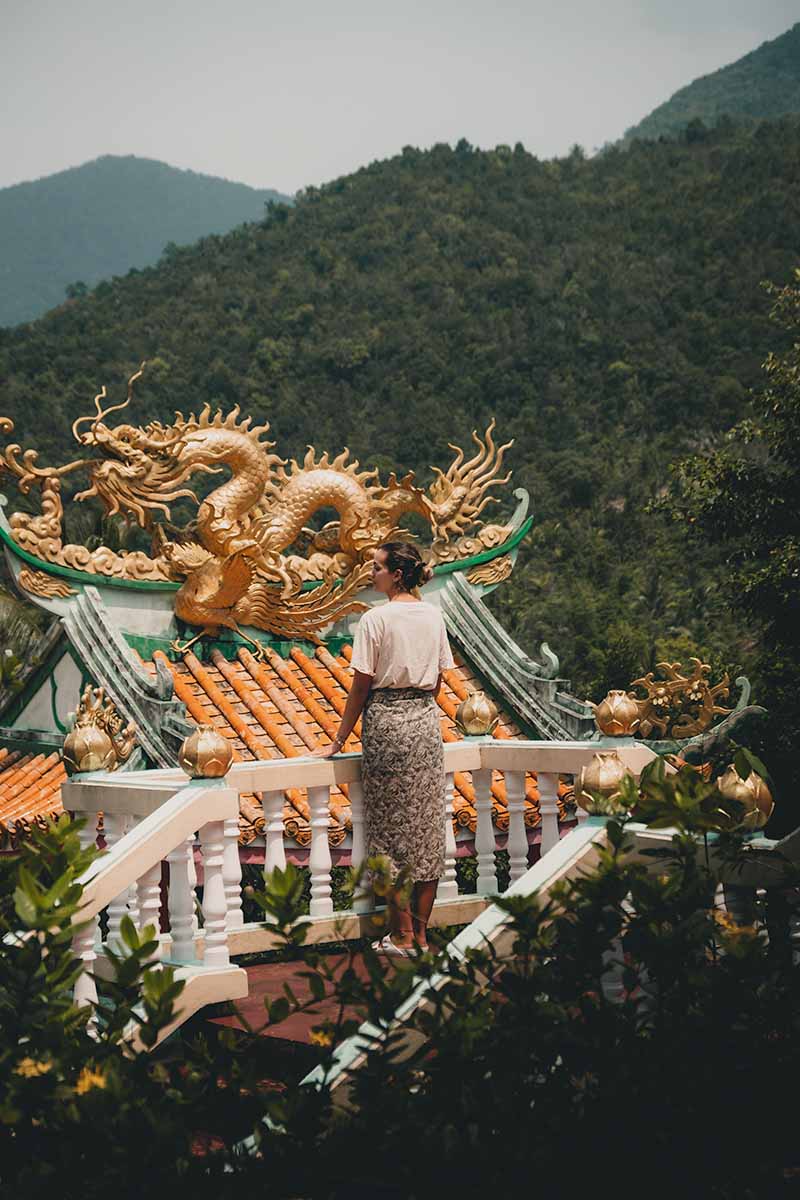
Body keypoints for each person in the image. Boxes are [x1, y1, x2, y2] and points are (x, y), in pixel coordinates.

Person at [314, 541, 455, 956]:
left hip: (387, 725)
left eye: (376, 567)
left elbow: (360, 686)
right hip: (426, 724)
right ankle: (424, 937)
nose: (370, 573)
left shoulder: (375, 619)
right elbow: (438, 682)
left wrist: (339, 738)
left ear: (396, 574)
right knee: (428, 829)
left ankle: (403, 934)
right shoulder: (433, 615)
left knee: (390, 833)